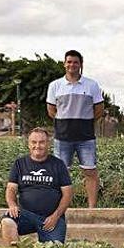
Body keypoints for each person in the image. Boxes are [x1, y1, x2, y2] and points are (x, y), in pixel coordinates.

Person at [46, 50, 104, 207]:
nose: (72, 65)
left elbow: (99, 109)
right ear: (64, 64)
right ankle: (61, 208)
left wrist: (85, 121)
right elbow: (51, 110)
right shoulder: (55, 86)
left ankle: (92, 209)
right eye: (69, 62)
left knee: (90, 172)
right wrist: (65, 121)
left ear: (81, 65)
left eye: (75, 62)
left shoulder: (91, 85)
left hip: (86, 137)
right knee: (61, 174)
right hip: (62, 138)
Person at [1, 128, 73, 245]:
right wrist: (12, 205)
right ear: (28, 144)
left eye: (42, 142)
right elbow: (11, 189)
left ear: (48, 144)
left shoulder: (58, 164)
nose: (37, 146)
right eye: (34, 142)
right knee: (7, 221)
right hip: (25, 215)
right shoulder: (19, 163)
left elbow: (68, 194)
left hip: (51, 219)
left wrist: (55, 216)